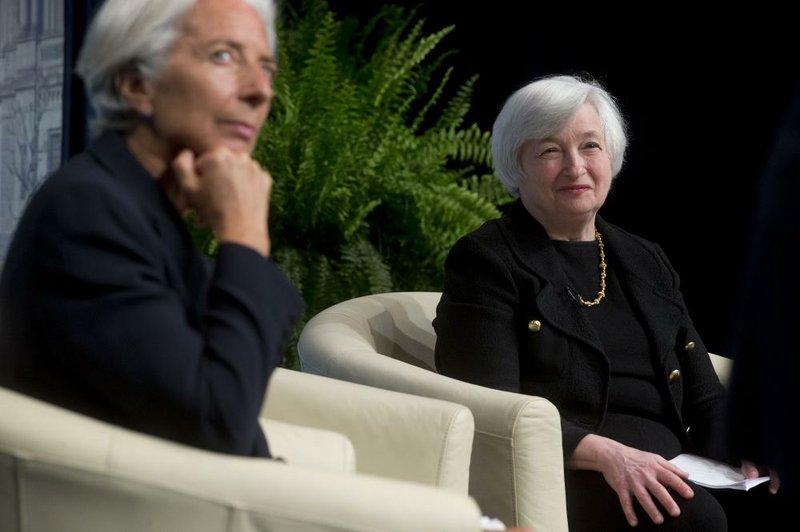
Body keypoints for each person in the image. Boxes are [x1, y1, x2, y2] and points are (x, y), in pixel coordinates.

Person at [433, 74, 782, 531]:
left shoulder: (643, 257)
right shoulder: (487, 260)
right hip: (573, 469)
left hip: (673, 462)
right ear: (516, 165)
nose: (575, 166)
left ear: (611, 156)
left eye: (590, 146)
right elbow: (492, 407)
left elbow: (702, 393)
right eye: (549, 150)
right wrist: (608, 454)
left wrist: (752, 443)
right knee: (693, 519)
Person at [0, 0, 303, 458]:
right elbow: (219, 419)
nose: (260, 90)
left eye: (266, 67)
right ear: (137, 85)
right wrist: (244, 237)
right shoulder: (89, 212)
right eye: (224, 55)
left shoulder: (135, 205)